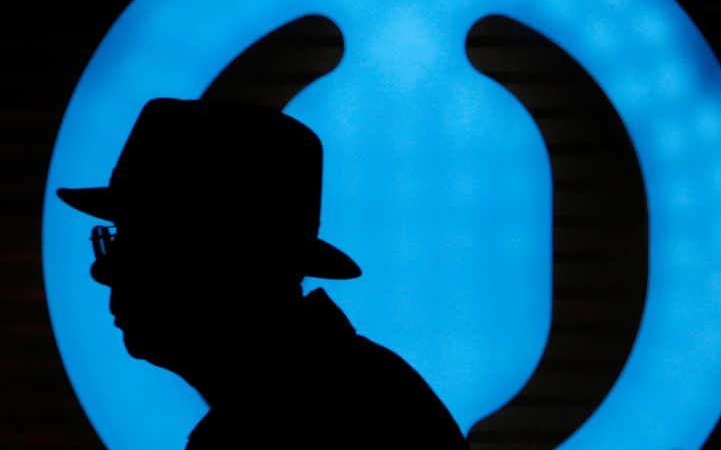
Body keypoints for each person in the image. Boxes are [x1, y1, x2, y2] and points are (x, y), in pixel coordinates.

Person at [57, 97, 470, 449]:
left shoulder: (278, 426)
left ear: (224, 260)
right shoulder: (354, 393)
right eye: (117, 239)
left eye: (143, 241)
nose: (104, 270)